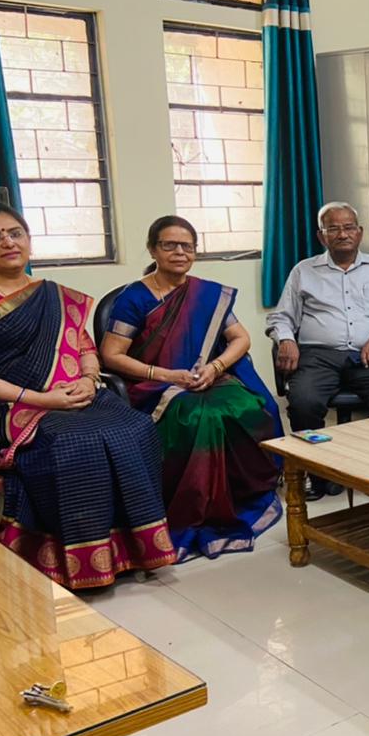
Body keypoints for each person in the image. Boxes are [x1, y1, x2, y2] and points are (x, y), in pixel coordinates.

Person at [0, 204, 175, 588]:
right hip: (14, 405)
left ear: (29, 241)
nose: (8, 242)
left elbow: (85, 349)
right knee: (74, 441)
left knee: (136, 428)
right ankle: (80, 560)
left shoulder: (54, 294)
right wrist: (41, 399)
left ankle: (132, 548)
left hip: (75, 393)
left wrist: (90, 379)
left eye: (15, 233)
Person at [101, 216, 283, 563]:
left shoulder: (206, 293)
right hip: (155, 386)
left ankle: (242, 494)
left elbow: (240, 339)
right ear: (153, 250)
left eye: (187, 246)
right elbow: (111, 355)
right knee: (203, 416)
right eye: (169, 245)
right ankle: (197, 506)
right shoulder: (134, 298)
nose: (179, 252)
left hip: (204, 377)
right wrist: (167, 375)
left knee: (251, 405)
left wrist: (215, 368)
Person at [266, 201, 369, 499]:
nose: (342, 234)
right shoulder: (303, 271)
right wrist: (287, 339)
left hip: (367, 355)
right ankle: (317, 473)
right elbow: (281, 317)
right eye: (333, 228)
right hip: (318, 355)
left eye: (348, 227)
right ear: (322, 236)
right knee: (304, 401)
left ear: (360, 232)